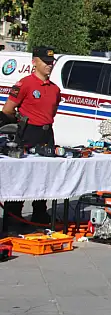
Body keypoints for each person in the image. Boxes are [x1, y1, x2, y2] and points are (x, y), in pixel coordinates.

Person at [0, 46, 61, 226]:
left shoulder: (55, 89)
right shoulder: (25, 84)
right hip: (28, 133)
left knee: (44, 176)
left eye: (51, 62)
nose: (49, 65)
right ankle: (13, 217)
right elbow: (8, 110)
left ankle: (39, 214)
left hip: (46, 133)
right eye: (46, 62)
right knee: (22, 176)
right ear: (35, 62)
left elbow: (52, 111)